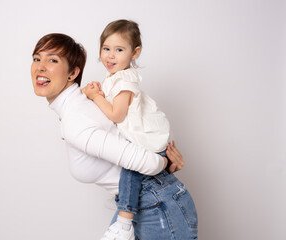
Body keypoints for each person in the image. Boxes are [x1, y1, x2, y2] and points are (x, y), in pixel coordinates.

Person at [31, 33, 198, 240]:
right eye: (37, 58)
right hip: (145, 202)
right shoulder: (83, 105)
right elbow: (131, 132)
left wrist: (165, 162)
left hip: (156, 205)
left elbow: (141, 158)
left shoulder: (76, 117)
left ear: (73, 73)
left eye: (52, 60)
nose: (40, 66)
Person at [81, 19, 195, 240]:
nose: (110, 56)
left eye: (119, 50)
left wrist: (96, 97)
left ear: (135, 53)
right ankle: (124, 221)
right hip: (148, 150)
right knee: (132, 165)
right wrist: (97, 94)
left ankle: (124, 221)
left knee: (131, 166)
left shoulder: (125, 81)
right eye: (106, 48)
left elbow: (116, 115)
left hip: (147, 141)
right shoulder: (114, 78)